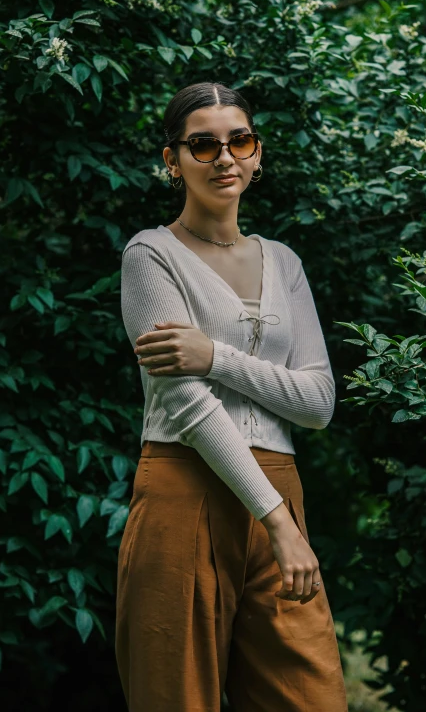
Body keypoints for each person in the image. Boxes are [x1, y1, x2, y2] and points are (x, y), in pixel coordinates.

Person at [115, 80, 348, 711]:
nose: (224, 157)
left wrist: (214, 354)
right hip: (183, 489)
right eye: (203, 144)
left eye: (238, 140)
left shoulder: (285, 262)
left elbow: (319, 402)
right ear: (173, 160)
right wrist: (279, 522)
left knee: (310, 695)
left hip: (279, 487)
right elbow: (188, 404)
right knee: (176, 697)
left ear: (256, 151)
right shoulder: (151, 254)